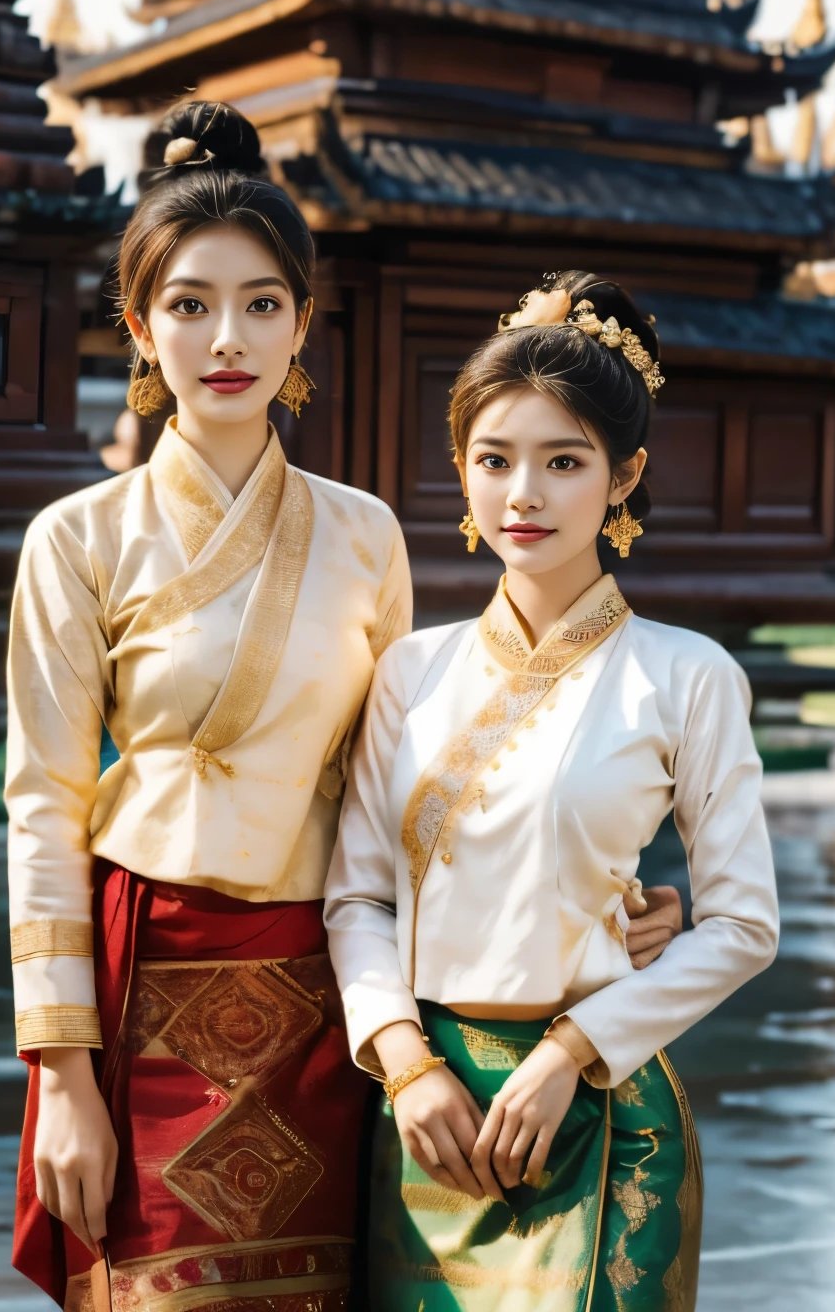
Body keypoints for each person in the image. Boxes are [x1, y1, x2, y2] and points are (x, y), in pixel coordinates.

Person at [6, 102, 415, 1310]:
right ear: (139, 326)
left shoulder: (364, 533)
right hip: (142, 993)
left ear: (301, 322)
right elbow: (42, 805)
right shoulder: (79, 539)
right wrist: (64, 1078)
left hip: (322, 994)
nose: (225, 337)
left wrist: (603, 898)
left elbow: (402, 793)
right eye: (189, 303)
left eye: (260, 303)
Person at [324, 272, 780, 1311]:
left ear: (623, 478)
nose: (522, 493)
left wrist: (577, 1049)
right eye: (494, 460)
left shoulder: (686, 674)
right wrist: (405, 1063)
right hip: (427, 1115)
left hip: (600, 1111)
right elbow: (358, 896)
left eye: (562, 461)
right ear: (462, 472)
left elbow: (744, 926)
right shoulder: (410, 670)